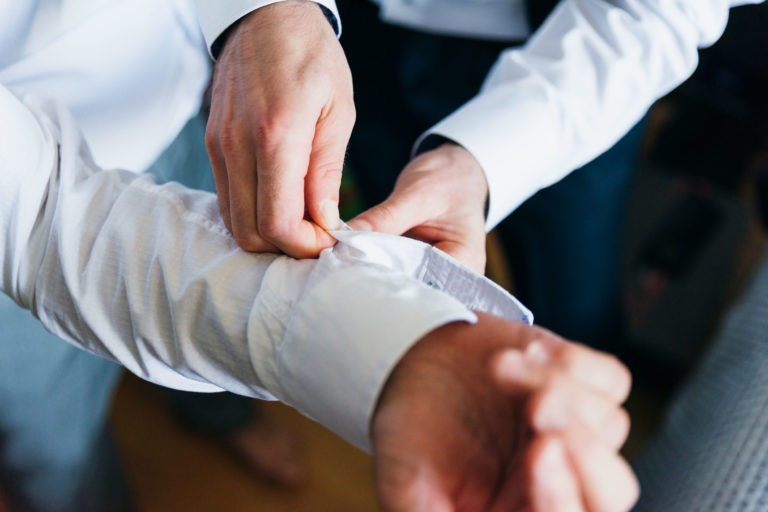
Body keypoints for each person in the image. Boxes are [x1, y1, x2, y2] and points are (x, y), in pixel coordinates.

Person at [0, 2, 636, 511]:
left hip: (194, 83)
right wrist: (384, 347)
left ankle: (217, 410)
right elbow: (37, 209)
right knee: (52, 446)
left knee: (233, 244)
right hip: (22, 221)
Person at [203, 0, 764, 349]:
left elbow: (662, 9)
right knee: (392, 229)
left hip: (575, 61)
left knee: (575, 299)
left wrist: (479, 161)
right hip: (350, 32)